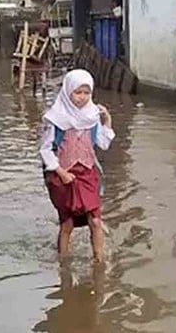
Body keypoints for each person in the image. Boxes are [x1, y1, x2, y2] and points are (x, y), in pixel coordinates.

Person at [39, 69, 114, 262]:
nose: (81, 98)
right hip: (64, 176)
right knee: (67, 225)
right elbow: (46, 150)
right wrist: (61, 172)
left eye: (86, 93)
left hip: (88, 174)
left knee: (95, 221)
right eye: (77, 92)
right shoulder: (55, 119)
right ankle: (63, 263)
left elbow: (103, 144)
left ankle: (99, 262)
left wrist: (107, 121)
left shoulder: (93, 117)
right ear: (67, 91)